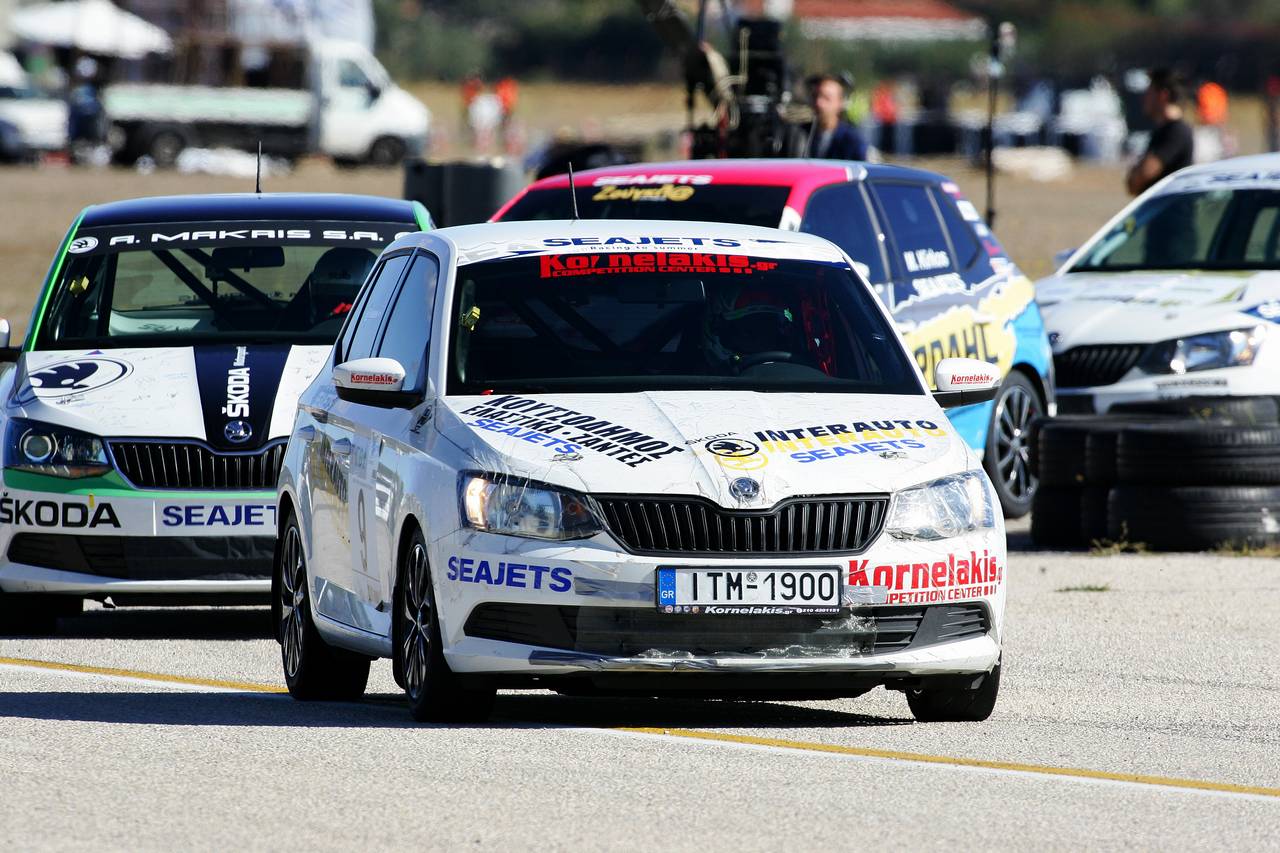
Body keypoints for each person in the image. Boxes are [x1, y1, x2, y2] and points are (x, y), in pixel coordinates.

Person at [1125, 68, 1194, 196]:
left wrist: (1136, 173)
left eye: (1149, 93)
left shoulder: (1176, 131)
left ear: (1163, 95)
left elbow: (1143, 174)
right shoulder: (1163, 130)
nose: (1144, 98)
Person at [802, 73, 868, 161]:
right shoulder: (799, 134)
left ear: (841, 103)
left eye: (826, 98)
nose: (818, 103)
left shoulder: (853, 141)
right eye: (815, 96)